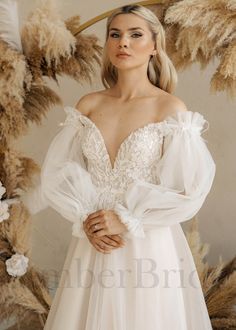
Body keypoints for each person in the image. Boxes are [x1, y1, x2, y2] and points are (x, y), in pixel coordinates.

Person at [25, 4, 216, 329]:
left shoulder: (169, 108)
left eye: (135, 34)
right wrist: (85, 218)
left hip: (146, 243)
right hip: (95, 241)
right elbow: (60, 174)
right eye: (115, 34)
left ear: (155, 45)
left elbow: (188, 191)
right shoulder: (89, 104)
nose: (123, 42)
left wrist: (128, 218)